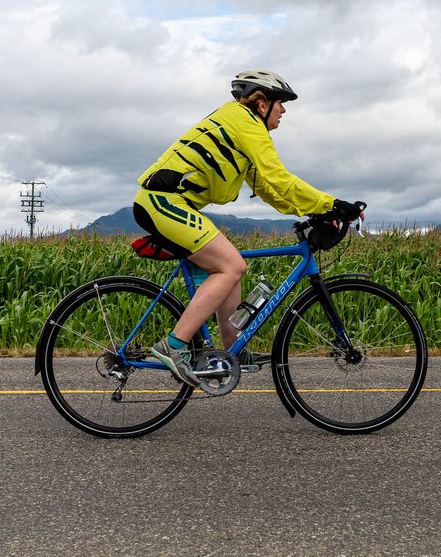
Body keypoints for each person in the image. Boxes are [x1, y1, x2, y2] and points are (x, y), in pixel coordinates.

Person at [134, 69, 364, 386]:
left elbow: (273, 190)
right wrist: (331, 204)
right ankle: (172, 347)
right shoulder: (245, 123)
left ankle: (232, 351)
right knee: (231, 266)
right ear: (260, 104)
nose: (284, 111)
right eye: (280, 103)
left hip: (173, 205)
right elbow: (280, 177)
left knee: (231, 267)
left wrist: (315, 211)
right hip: (161, 203)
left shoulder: (242, 130)